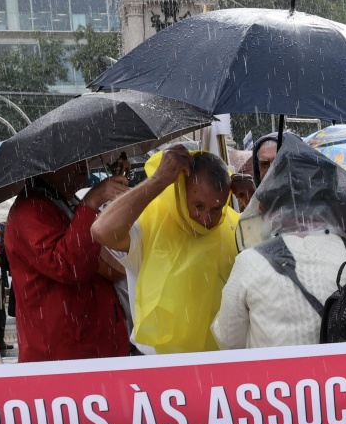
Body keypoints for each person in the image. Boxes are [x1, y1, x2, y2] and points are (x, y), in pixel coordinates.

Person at [214, 136, 346, 349]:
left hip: (278, 381)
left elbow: (227, 339)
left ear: (271, 202)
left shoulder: (250, 262)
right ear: (336, 200)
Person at [92, 144, 237, 354]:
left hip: (219, 366)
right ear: (179, 190)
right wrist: (158, 179)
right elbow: (101, 230)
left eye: (216, 209)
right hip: (160, 369)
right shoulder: (148, 223)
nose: (206, 219)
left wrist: (253, 204)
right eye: (198, 206)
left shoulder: (232, 226)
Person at [2, 161, 132, 362]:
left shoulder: (63, 200)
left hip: (90, 344)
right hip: (65, 353)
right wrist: (92, 201)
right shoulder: (30, 210)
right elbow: (68, 265)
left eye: (84, 158)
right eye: (73, 161)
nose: (82, 165)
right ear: (46, 165)